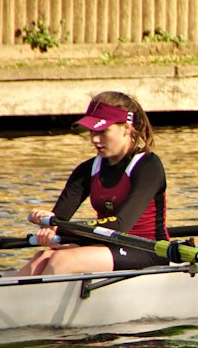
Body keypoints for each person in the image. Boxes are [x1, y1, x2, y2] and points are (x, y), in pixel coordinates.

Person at [17, 92, 169, 276]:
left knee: (62, 260)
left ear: (126, 128)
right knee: (42, 257)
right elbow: (59, 219)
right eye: (92, 131)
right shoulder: (87, 169)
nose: (95, 139)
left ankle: (40, 303)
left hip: (148, 248)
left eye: (103, 131)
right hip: (107, 245)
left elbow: (120, 225)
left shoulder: (148, 166)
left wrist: (59, 228)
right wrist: (47, 222)